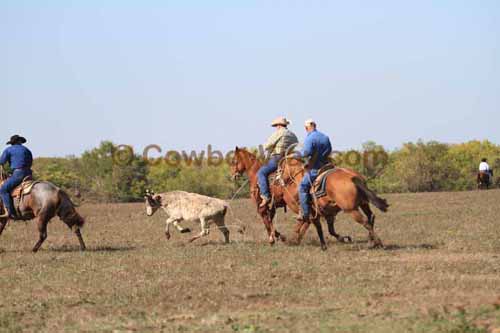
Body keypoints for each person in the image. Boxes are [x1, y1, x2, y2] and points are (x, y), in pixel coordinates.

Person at [258, 117, 298, 207]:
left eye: (276, 125)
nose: (276, 127)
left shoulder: (279, 133)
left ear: (279, 125)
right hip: (290, 158)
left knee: (261, 172)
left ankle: (265, 195)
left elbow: (268, 145)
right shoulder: (292, 135)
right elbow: (296, 144)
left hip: (277, 157)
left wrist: (263, 149)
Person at [297, 119, 332, 222]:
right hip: (326, 166)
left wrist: (295, 155)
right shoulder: (325, 137)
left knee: (302, 187)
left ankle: (305, 213)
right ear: (315, 125)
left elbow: (306, 153)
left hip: (315, 169)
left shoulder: (310, 138)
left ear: (306, 128)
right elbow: (329, 150)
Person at [0, 135, 33, 219]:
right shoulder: (26, 150)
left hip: (18, 174)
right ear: (20, 142)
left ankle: (9, 212)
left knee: (3, 189)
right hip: (28, 173)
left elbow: (1, 161)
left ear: (12, 143)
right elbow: (30, 162)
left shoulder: (9, 150)